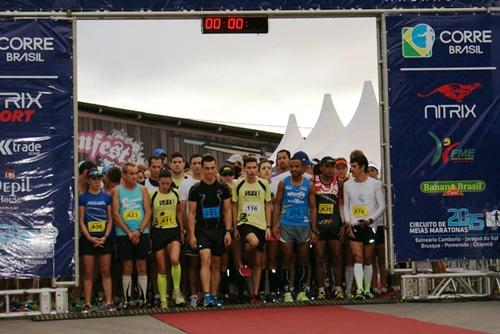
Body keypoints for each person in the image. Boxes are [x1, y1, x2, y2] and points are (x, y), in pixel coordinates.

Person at [272, 153, 318, 302]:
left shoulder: (308, 185)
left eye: (297, 166)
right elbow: (277, 204)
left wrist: (314, 228)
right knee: (286, 258)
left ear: (303, 168)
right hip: (286, 225)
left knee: (303, 259)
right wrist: (275, 224)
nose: (293, 169)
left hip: (303, 226)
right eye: (291, 166)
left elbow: (313, 207)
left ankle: (301, 290)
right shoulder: (283, 183)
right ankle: (285, 291)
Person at [188, 154, 232, 307]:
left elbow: (227, 210)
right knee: (205, 259)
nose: (210, 171)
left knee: (216, 264)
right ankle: (206, 295)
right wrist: (191, 235)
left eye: (212, 168)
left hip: (219, 231)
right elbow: (191, 213)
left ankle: (213, 295)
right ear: (201, 169)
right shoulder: (195, 189)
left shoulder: (223, 188)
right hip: (202, 230)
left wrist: (228, 231)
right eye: (207, 168)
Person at [342, 153, 385, 300]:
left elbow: (382, 206)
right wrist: (348, 222)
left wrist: (370, 219)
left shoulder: (375, 184)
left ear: (362, 167)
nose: (351, 169)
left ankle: (367, 289)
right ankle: (359, 290)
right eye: (351, 166)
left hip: (370, 226)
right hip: (354, 225)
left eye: (354, 166)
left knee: (368, 258)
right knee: (357, 257)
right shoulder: (347, 185)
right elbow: (346, 205)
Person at [232, 156, 272, 304]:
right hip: (244, 222)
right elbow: (235, 205)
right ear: (244, 169)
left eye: (254, 167)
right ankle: (243, 257)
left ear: (257, 168)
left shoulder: (264, 184)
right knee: (253, 242)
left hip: (261, 223)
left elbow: (268, 204)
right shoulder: (238, 184)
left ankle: (254, 294)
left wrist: (268, 226)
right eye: (248, 168)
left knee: (258, 262)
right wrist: (235, 226)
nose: (251, 171)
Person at [111, 163, 152, 308]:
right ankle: (127, 299)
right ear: (124, 175)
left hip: (142, 233)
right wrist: (129, 233)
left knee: (142, 266)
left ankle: (143, 298)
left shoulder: (143, 190)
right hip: (124, 234)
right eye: (131, 174)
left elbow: (147, 211)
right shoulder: (117, 191)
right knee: (127, 267)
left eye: (136, 173)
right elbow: (115, 213)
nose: (135, 176)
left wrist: (139, 231)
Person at [79, 168, 115, 312]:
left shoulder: (107, 197)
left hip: (104, 238)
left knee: (105, 271)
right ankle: (87, 303)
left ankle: (108, 302)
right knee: (88, 272)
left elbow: (110, 219)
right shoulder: (83, 198)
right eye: (93, 179)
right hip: (88, 239)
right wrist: (89, 237)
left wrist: (105, 237)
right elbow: (81, 220)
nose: (96, 181)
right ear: (88, 180)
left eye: (99, 178)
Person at [150, 169, 185, 308]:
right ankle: (163, 299)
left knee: (175, 259)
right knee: (162, 268)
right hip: (158, 232)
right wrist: (148, 234)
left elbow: (179, 212)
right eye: (163, 183)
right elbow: (149, 215)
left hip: (173, 230)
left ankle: (176, 290)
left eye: (168, 183)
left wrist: (182, 230)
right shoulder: (152, 195)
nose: (165, 186)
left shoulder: (176, 193)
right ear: (159, 181)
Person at [313, 157, 344, 300]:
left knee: (336, 256)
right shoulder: (314, 181)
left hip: (334, 224)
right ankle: (321, 289)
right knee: (319, 257)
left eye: (333, 166)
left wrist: (343, 224)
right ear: (321, 168)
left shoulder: (339, 182)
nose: (331, 169)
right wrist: (312, 226)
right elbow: (311, 206)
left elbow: (342, 204)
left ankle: (337, 287)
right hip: (319, 225)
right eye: (328, 166)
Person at [179, 154, 203, 307]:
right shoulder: (185, 184)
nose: (197, 166)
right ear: (190, 165)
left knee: (207, 262)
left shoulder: (211, 181)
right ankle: (194, 294)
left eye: (199, 163)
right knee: (192, 263)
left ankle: (206, 293)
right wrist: (185, 230)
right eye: (194, 163)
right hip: (192, 228)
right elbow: (182, 209)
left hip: (209, 228)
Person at [259, 159, 280, 301]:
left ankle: (273, 290)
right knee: (261, 260)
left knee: (272, 259)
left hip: (274, 227)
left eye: (269, 168)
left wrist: (275, 225)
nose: (267, 170)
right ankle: (260, 290)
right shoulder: (256, 186)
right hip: (259, 227)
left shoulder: (278, 186)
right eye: (264, 168)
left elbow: (280, 207)